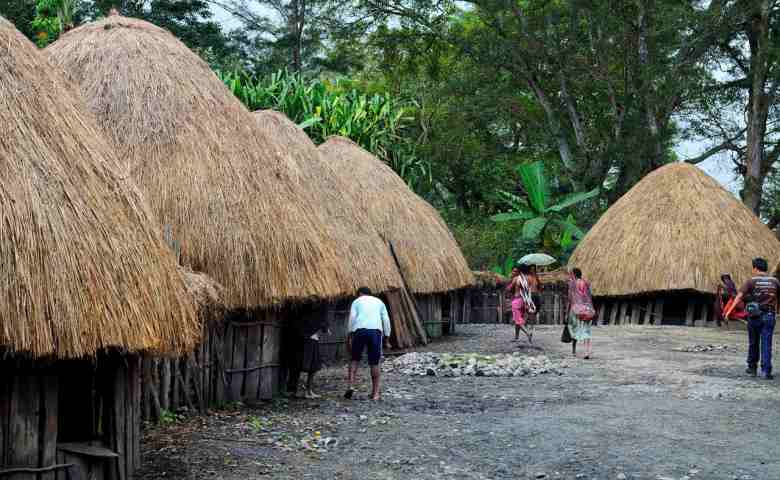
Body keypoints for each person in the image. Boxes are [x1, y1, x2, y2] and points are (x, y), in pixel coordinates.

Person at [724, 258, 780, 380]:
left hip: (754, 316)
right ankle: (766, 371)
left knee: (753, 342)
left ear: (755, 268)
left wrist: (728, 311)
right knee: (767, 343)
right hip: (769, 316)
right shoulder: (775, 282)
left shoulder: (751, 281)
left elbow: (739, 297)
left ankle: (752, 367)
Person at [345, 287, 391, 400]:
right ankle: (375, 394)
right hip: (375, 331)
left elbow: (352, 318)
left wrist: (350, 334)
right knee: (375, 362)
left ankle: (351, 385)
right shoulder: (379, 302)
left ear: (360, 294)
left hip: (359, 330)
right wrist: (387, 337)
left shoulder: (356, 301)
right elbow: (386, 319)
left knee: (354, 359)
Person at [284, 304, 329, 399]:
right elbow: (323, 322)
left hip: (299, 337)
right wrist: (324, 328)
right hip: (308, 338)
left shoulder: (298, 306)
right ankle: (306, 391)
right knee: (312, 366)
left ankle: (294, 390)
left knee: (297, 365)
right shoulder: (320, 307)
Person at [567, 268, 595, 359]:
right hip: (587, 309)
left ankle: (574, 351)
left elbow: (570, 298)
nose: (570, 275)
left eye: (571, 274)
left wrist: (567, 311)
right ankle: (586, 352)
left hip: (576, 309)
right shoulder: (586, 283)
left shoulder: (572, 284)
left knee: (574, 328)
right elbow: (589, 297)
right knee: (586, 330)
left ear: (574, 274)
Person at [506, 264, 535, 342]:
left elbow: (508, 289)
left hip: (517, 301)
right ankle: (516, 337)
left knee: (517, 320)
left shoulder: (516, 278)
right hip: (525, 301)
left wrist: (510, 280)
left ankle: (528, 333)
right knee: (518, 319)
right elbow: (531, 290)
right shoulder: (530, 278)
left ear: (520, 271)